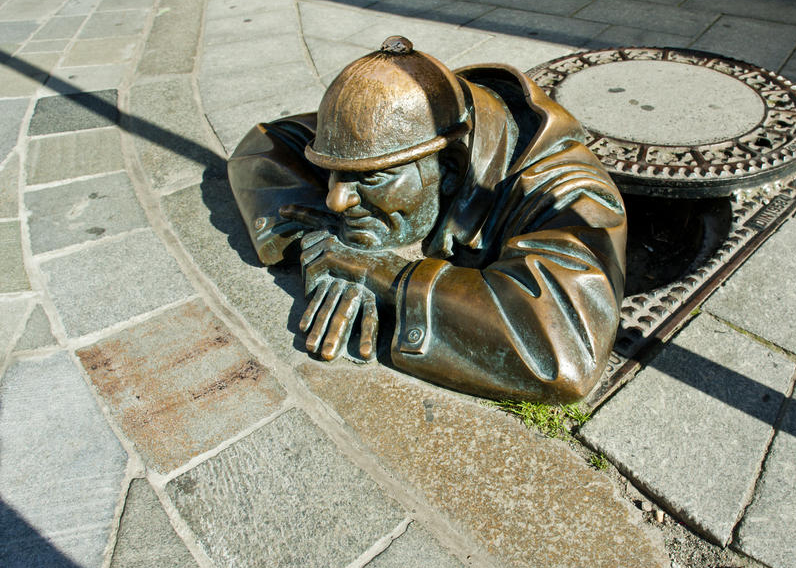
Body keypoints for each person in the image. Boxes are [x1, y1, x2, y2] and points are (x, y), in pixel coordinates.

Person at [228, 36, 626, 403]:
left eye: (369, 178)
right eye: (334, 172)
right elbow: (265, 144)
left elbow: (567, 356)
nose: (336, 200)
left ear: (450, 169)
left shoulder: (570, 192)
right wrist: (318, 238)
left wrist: (385, 276)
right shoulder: (399, 126)